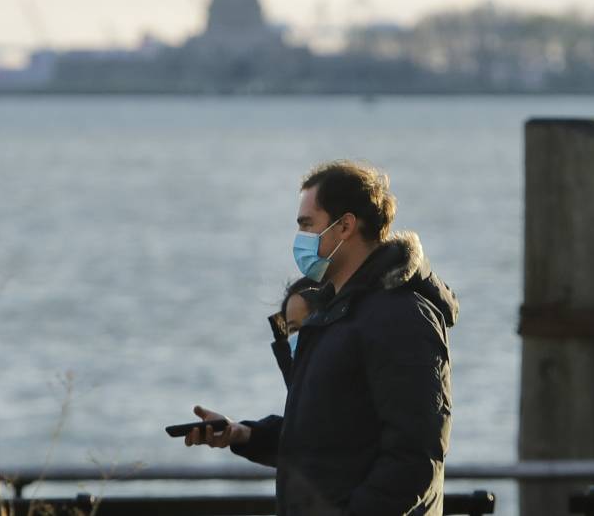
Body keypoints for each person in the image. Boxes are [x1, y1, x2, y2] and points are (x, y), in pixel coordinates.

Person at [184, 160, 459, 516]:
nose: (299, 238)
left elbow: (415, 456)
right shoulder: (337, 312)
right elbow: (330, 438)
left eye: (307, 224)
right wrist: (244, 435)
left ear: (345, 225)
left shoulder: (400, 316)